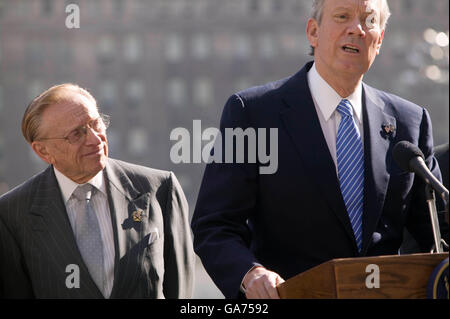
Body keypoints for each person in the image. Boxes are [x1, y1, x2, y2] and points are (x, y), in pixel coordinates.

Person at [191, 0, 448, 299]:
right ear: (313, 32)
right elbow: (215, 224)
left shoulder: (410, 123)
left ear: (379, 41)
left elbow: (434, 232)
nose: (356, 29)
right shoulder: (253, 114)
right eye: (342, 17)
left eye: (369, 21)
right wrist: (251, 274)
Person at [0, 83, 194, 298]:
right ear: (43, 151)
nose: (95, 139)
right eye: (76, 134)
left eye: (96, 124)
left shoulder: (160, 189)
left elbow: (180, 292)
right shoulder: (11, 215)